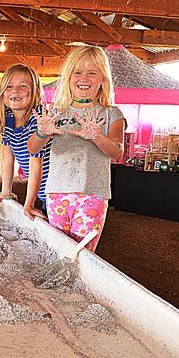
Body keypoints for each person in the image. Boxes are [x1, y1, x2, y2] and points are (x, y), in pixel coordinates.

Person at [28, 45, 125, 252]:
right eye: (77, 72)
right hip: (56, 193)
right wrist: (42, 132)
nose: (84, 78)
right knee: (56, 250)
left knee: (81, 253)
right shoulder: (55, 112)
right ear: (68, 78)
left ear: (103, 80)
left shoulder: (112, 114)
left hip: (93, 194)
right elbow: (32, 147)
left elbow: (117, 152)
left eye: (92, 73)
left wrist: (97, 136)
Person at [0, 63, 51, 220]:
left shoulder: (38, 118)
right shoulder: (7, 119)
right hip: (43, 192)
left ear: (34, 91)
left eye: (22, 86)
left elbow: (35, 165)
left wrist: (29, 204)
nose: (15, 91)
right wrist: (5, 191)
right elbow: (7, 160)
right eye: (9, 86)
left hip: (55, 190)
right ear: (2, 93)